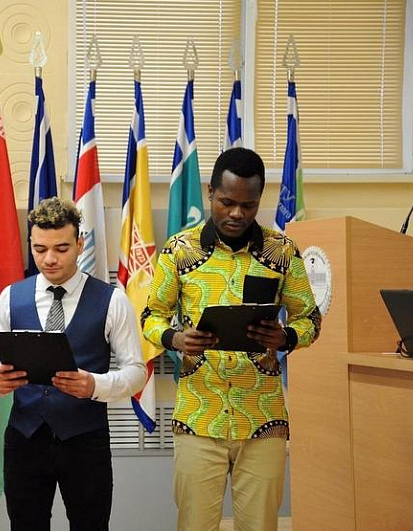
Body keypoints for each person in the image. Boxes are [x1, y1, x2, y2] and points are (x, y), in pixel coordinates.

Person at [143, 148, 321, 531]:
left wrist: (287, 336)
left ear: (259, 199)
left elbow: (310, 318)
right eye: (227, 202)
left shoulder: (282, 251)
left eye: (248, 205)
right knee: (195, 525)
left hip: (263, 420)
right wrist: (175, 338)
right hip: (198, 417)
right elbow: (150, 316)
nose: (237, 213)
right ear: (210, 193)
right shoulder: (179, 250)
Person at [0, 197, 147, 531]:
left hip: (85, 439)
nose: (49, 259)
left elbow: (137, 372)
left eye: (61, 248)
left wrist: (95, 385)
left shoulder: (112, 300)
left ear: (79, 244)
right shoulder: (10, 297)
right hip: (24, 437)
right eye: (39, 249)